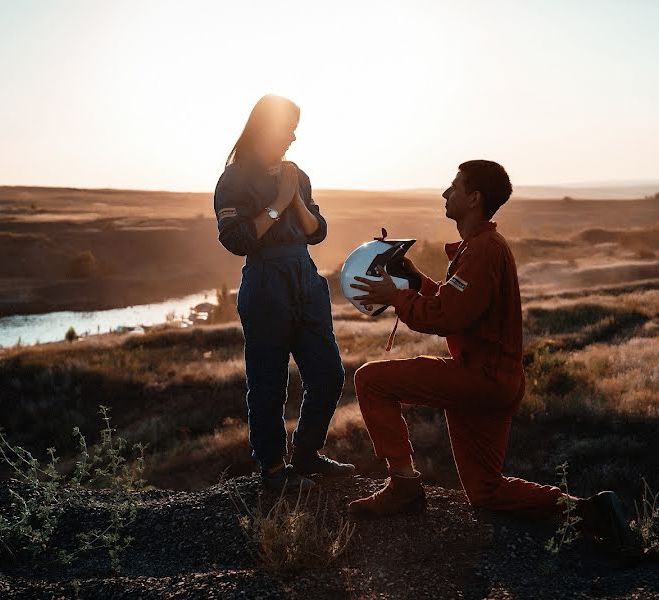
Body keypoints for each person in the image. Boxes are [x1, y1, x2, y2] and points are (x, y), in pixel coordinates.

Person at [348, 160, 636, 551]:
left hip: (478, 379)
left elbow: (448, 316)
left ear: (474, 197)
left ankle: (403, 485)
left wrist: (395, 296)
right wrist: (416, 281)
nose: (445, 194)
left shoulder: (483, 250)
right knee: (485, 490)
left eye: (453, 187)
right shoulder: (480, 248)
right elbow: (458, 304)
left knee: (370, 380)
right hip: (495, 381)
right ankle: (590, 511)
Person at [214, 94, 354, 492]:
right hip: (265, 281)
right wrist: (277, 204)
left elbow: (317, 230)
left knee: (328, 375)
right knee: (268, 381)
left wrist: (294, 198)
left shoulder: (297, 174)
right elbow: (238, 239)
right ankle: (274, 471)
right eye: (289, 127)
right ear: (267, 127)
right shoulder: (234, 179)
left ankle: (307, 457)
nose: (294, 136)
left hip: (305, 279)